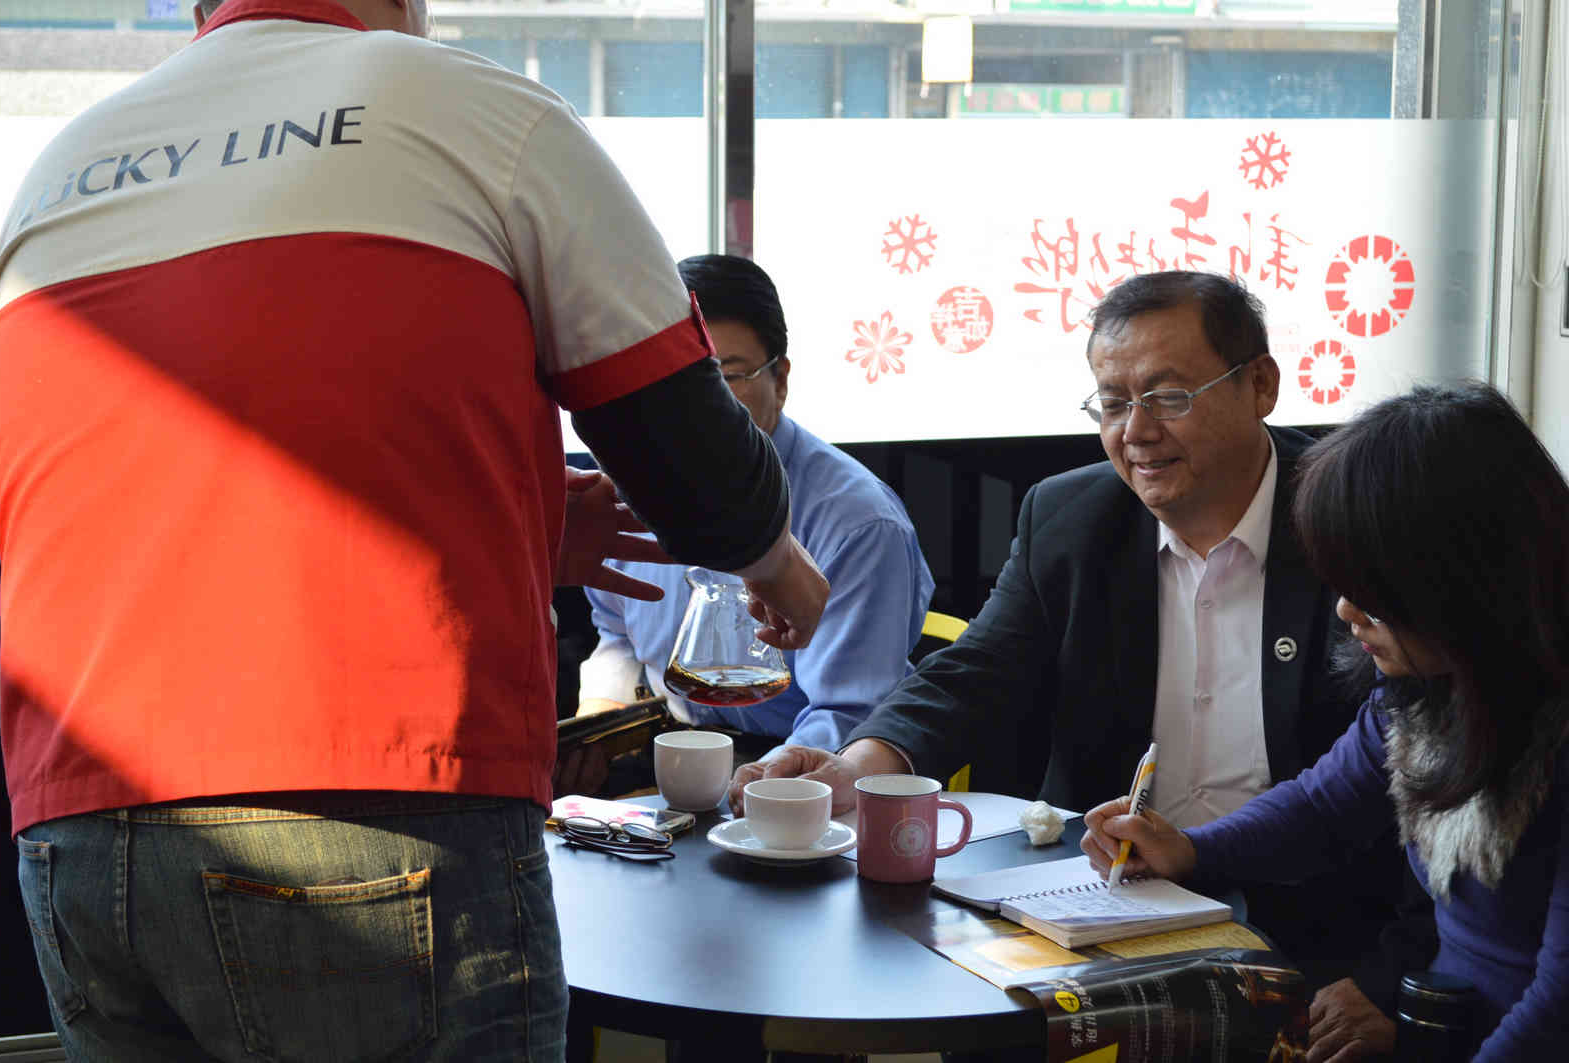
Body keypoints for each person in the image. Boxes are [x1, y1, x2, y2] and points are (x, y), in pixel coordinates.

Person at [0, 1, 827, 1059]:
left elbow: (115, 490)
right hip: (367, 806)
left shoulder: (60, 171)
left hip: (75, 832)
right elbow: (695, 463)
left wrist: (509, 522)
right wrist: (778, 561)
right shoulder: (477, 112)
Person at [735, 270, 1426, 1025]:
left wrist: (1389, 979)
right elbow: (971, 676)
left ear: (1260, 384)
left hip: (1319, 930)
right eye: (1114, 402)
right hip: (1103, 910)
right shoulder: (1073, 518)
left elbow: (1435, 770)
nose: (1136, 431)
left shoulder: (1346, 519)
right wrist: (854, 768)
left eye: (1168, 396)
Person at [1082, 381, 1569, 1061]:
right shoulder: (1426, 690)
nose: (1345, 609)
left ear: (1466, 575)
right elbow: (1322, 807)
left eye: (1370, 585)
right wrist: (1191, 851)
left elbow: (1557, 1005)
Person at [559, 253, 934, 796]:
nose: (695, 406)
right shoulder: (625, 489)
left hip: (803, 764)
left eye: (725, 377)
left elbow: (851, 711)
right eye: (672, 382)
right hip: (672, 746)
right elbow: (617, 632)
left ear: (780, 380)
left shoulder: (859, 523)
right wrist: (599, 722)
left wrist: (764, 785)